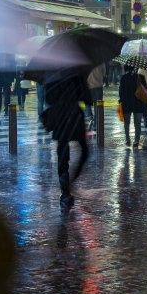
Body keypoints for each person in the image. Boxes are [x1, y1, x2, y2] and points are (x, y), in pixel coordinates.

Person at [39, 68, 90, 209]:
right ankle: (70, 183)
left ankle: (65, 189)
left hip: (60, 116)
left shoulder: (51, 76)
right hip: (74, 115)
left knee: (62, 153)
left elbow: (48, 98)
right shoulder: (76, 74)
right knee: (84, 150)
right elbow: (87, 98)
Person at [119, 65, 147, 147]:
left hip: (126, 103)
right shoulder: (140, 77)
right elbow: (145, 91)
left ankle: (127, 139)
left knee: (126, 123)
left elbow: (121, 93)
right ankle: (136, 141)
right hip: (138, 104)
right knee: (137, 123)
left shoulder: (123, 78)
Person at [0, 53, 16, 118]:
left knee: (7, 93)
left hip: (7, 76)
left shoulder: (10, 53)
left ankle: (6, 110)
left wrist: (13, 77)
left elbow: (14, 65)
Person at [83, 64, 105, 131]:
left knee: (87, 103)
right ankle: (96, 125)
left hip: (88, 86)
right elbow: (104, 73)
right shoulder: (101, 62)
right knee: (97, 106)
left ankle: (89, 117)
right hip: (98, 86)